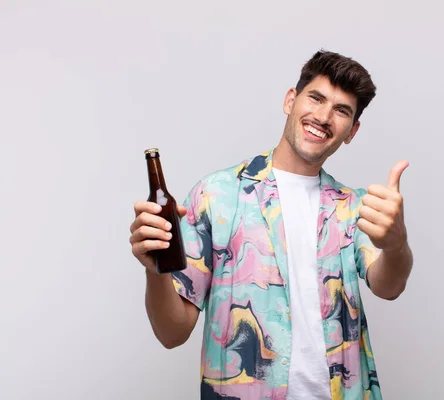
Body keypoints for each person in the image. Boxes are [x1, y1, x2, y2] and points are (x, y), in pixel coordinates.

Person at [129, 49, 413, 400]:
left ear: (352, 131)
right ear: (290, 100)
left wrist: (396, 243)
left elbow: (389, 285)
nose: (323, 116)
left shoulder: (352, 208)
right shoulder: (217, 196)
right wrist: (154, 270)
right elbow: (172, 333)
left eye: (341, 110)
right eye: (316, 98)